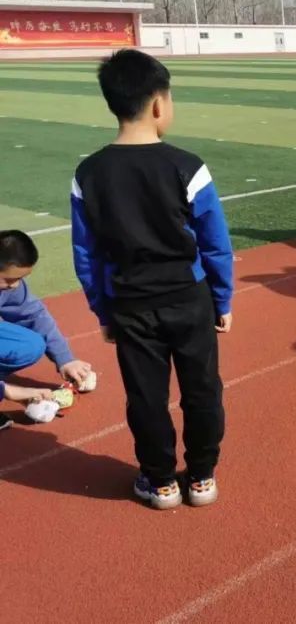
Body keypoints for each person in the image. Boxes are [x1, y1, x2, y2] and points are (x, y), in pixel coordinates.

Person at [71, 49, 234, 510]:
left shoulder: (89, 173)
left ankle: (160, 481)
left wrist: (102, 311)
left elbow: (86, 254)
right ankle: (201, 476)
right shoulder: (187, 165)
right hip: (189, 298)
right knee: (202, 390)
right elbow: (216, 243)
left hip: (129, 305)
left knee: (146, 396)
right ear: (159, 104)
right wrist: (222, 300)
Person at [1, 230, 95, 429]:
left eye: (20, 279)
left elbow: (33, 315)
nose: (15, 286)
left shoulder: (11, 286)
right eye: (9, 280)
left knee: (30, 345)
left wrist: (65, 359)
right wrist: (11, 392)